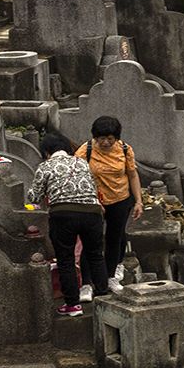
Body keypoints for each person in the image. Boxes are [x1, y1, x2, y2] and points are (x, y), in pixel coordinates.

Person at [29, 133, 105, 317]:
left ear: (47, 152)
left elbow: (34, 197)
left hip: (63, 214)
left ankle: (72, 305)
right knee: (96, 256)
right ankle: (105, 299)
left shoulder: (45, 167)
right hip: (92, 212)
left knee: (66, 260)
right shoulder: (81, 163)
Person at [78, 116, 142, 287]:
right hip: (94, 201)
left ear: (116, 138)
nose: (105, 142)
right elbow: (78, 177)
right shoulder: (86, 151)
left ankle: (110, 276)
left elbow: (132, 175)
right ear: (95, 137)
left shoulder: (125, 150)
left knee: (115, 238)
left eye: (110, 139)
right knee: (91, 240)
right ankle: (87, 281)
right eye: (101, 139)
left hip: (120, 200)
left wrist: (138, 201)